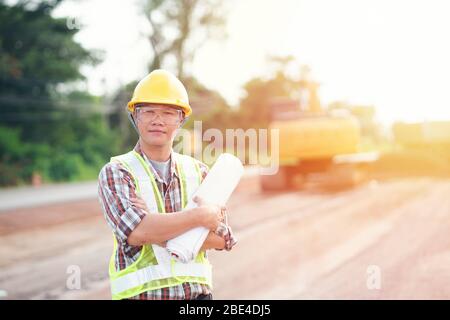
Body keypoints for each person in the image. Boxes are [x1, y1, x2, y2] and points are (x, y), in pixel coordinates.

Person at [98, 69, 237, 300]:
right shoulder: (118, 172)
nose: (157, 120)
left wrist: (154, 224)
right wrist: (199, 218)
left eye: (168, 113)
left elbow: (223, 238)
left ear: (181, 119)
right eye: (148, 112)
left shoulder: (199, 172)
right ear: (135, 117)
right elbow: (137, 233)